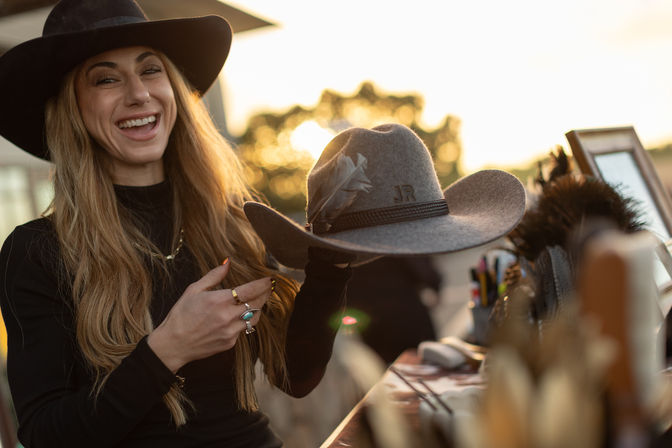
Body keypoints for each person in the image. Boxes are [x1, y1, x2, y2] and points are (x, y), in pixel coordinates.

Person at [0, 1, 352, 446]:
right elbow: (46, 436)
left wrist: (332, 268)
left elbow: (295, 376)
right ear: (72, 109)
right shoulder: (36, 251)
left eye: (151, 71)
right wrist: (168, 349)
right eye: (107, 78)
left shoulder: (233, 222)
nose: (139, 93)